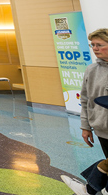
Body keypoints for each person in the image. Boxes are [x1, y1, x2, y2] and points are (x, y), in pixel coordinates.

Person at [63, 29, 108, 195]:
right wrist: (85, 126)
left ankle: (88, 190)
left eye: (100, 45)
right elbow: (85, 100)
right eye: (93, 45)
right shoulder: (91, 70)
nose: (95, 48)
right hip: (103, 128)